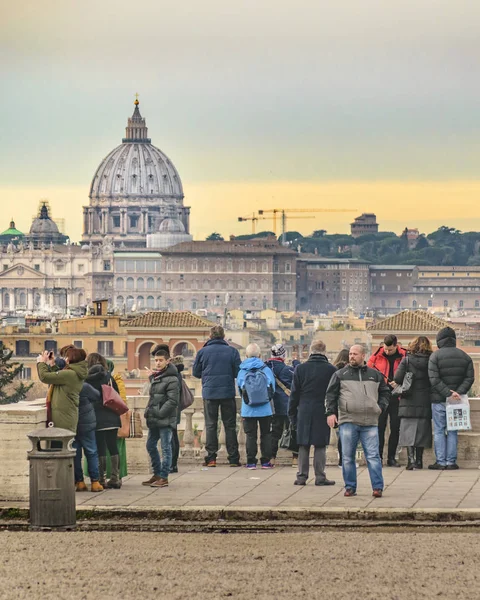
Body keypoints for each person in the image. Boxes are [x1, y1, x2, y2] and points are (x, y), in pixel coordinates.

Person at [326, 344, 390, 498]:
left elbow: (385, 392)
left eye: (355, 354)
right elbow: (330, 395)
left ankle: (377, 487)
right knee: (347, 456)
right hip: (348, 420)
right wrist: (330, 413)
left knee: (373, 456)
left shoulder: (375, 375)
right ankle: (350, 487)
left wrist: (380, 407)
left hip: (370, 421)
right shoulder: (341, 374)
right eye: (350, 354)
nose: (352, 357)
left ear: (363, 356)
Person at [289, 340, 337, 486]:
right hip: (322, 409)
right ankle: (320, 476)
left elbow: (294, 394)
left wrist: (292, 414)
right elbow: (334, 393)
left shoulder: (301, 369)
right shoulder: (331, 370)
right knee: (320, 444)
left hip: (303, 409)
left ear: (311, 351)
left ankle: (302, 476)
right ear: (324, 352)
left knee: (303, 443)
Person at [193, 325, 241, 467]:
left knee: (211, 425)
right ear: (223, 336)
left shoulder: (202, 352)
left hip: (209, 392)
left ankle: (211, 458)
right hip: (227, 392)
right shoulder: (232, 351)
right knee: (230, 426)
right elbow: (238, 372)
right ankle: (233, 459)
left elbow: (196, 373)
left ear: (210, 336)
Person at [428, 327, 474, 470]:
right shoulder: (465, 356)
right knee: (453, 430)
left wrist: (447, 393)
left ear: (439, 340)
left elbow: (434, 379)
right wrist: (457, 393)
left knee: (439, 430)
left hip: (439, 400)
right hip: (457, 402)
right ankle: (451, 462)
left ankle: (440, 461)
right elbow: (469, 378)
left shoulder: (435, 357)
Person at [394, 336, 433, 470]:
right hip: (424, 399)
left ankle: (411, 460)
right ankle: (420, 460)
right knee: (422, 432)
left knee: (408, 431)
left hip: (408, 399)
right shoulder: (431, 360)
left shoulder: (407, 360)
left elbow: (397, 378)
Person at [142, 349, 180, 487]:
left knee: (165, 448)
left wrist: (159, 413)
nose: (157, 363)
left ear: (167, 361)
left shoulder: (173, 378)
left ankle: (164, 477)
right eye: (156, 360)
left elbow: (172, 401)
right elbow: (156, 395)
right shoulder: (157, 376)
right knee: (150, 445)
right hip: (154, 418)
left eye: (160, 360)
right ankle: (157, 474)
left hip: (164, 418)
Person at [367, 334, 406, 466]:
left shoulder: (404, 356)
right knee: (379, 428)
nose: (387, 352)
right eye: (386, 349)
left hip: (397, 396)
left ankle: (391, 457)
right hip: (381, 396)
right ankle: (378, 457)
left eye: (390, 349)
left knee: (395, 428)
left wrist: (400, 384)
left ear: (396, 345)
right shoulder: (375, 357)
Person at [86, 353, 122, 489]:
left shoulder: (87, 379)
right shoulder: (109, 378)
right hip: (112, 415)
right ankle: (115, 478)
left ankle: (101, 479)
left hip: (96, 417)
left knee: (100, 448)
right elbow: (117, 395)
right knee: (113, 446)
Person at [237, 343, 275, 469]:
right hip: (265, 409)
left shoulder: (242, 371)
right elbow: (272, 389)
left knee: (251, 436)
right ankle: (265, 461)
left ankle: (251, 462)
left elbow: (240, 389)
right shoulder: (266, 369)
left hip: (248, 410)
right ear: (259, 355)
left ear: (246, 355)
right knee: (266, 434)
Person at [37, 346, 88, 433]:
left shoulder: (70, 374)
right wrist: (52, 364)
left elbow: (44, 377)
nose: (65, 359)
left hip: (63, 420)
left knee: (59, 446)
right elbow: (59, 378)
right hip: (67, 417)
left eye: (66, 356)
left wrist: (41, 363)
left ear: (71, 358)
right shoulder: (75, 372)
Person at [264, 343, 297, 467]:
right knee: (292, 431)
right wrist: (296, 363)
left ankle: (272, 457)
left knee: (274, 433)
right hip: (287, 405)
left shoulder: (265, 368)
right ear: (283, 355)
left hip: (271, 405)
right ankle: (295, 458)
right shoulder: (287, 370)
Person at [74, 380, 103, 492]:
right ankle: (95, 482)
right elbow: (97, 395)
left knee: (75, 454)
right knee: (91, 452)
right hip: (87, 423)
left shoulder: (65, 385)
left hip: (73, 423)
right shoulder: (84, 386)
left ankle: (79, 482)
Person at [333, 349, 350, 468]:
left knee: (340, 434)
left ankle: (341, 460)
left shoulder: (334, 370)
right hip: (347, 404)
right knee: (348, 435)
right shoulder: (348, 371)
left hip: (337, 405)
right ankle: (346, 460)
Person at [170, 354, 185, 473]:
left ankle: (172, 464)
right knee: (174, 436)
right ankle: (173, 464)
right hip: (176, 410)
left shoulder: (173, 376)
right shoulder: (179, 375)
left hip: (172, 410)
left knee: (171, 438)